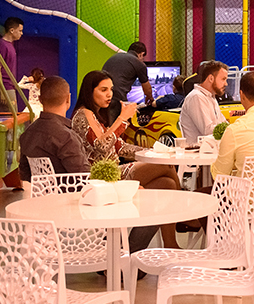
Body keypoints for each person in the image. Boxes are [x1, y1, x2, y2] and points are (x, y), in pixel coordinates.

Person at [72, 70, 183, 247]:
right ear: (89, 91)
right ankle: (182, 216)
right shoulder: (84, 114)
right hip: (103, 179)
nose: (109, 94)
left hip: (114, 173)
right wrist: (122, 119)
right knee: (166, 166)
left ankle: (160, 245)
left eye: (111, 89)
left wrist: (151, 151)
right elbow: (102, 146)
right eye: (103, 90)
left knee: (167, 185)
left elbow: (120, 147)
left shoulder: (98, 115)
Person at [19, 76, 88, 178]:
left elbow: (25, 175)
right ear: (68, 99)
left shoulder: (27, 134)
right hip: (69, 193)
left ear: (40, 99)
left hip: (39, 192)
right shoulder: (67, 138)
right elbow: (84, 177)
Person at [179, 60, 228, 143]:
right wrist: (231, 129)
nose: (226, 84)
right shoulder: (196, 97)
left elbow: (222, 123)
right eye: (223, 79)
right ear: (211, 78)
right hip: (197, 153)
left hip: (210, 150)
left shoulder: (211, 98)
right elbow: (207, 131)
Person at [103, 42, 152, 120]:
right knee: (117, 124)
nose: (143, 60)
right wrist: (151, 99)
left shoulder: (115, 56)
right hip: (117, 96)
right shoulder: (139, 63)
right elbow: (147, 89)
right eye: (143, 57)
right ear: (141, 54)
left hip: (101, 94)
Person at [0, 16, 23, 112]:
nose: (21, 33)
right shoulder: (1, 45)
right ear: (12, 30)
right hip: (4, 87)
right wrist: (2, 90)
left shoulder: (10, 45)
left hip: (9, 86)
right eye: (20, 30)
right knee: (10, 117)